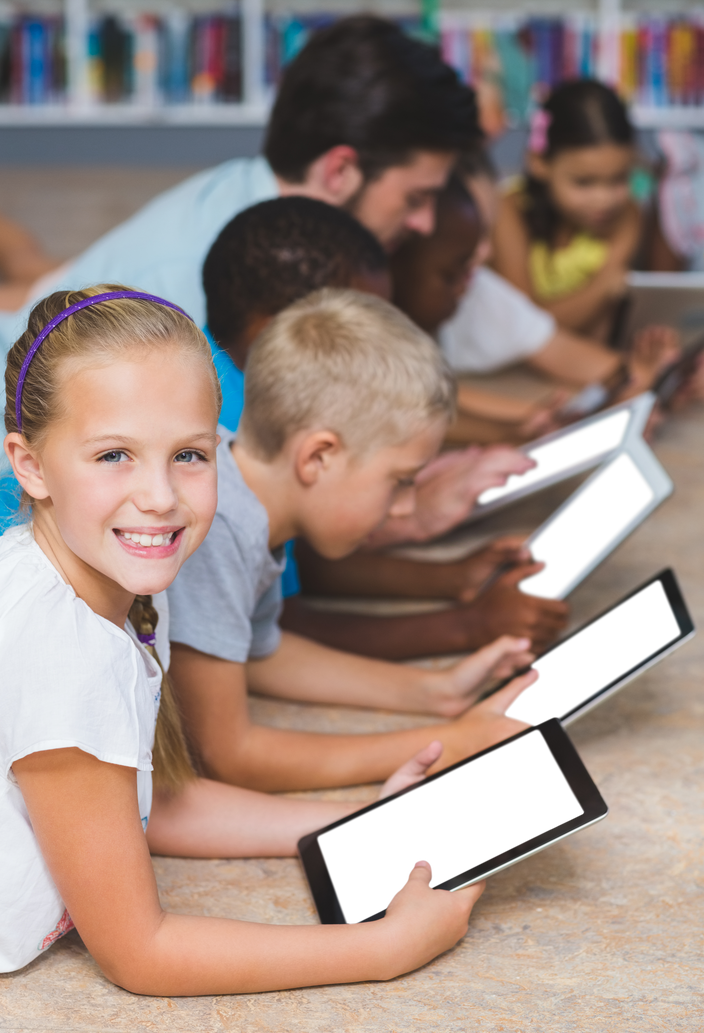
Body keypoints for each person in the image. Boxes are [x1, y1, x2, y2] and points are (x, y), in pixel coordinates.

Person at [0, 283, 516, 988]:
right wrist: (387, 949)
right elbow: (139, 952)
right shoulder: (62, 650)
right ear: (29, 464)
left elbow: (154, 802)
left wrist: (364, 819)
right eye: (114, 455)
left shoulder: (123, 576)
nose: (162, 495)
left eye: (190, 455)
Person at [0, 14, 480, 546]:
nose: (425, 224)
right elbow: (226, 513)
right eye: (415, 197)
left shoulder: (254, 206)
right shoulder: (205, 295)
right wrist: (406, 515)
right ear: (339, 171)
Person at [167, 288, 540, 794]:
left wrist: (436, 693)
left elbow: (258, 651)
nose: (407, 507)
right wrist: (448, 744)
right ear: (317, 457)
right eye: (400, 480)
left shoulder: (249, 503)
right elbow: (229, 754)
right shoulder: (217, 526)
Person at [203, 195, 569, 656]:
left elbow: (299, 566)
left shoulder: (219, 374)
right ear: (293, 330)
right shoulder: (224, 429)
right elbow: (279, 627)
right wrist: (465, 627)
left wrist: (451, 578)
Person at [391, 156, 682, 444]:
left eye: (486, 232)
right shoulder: (372, 328)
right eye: (465, 244)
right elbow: (408, 405)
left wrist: (653, 377)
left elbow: (441, 398)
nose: (486, 254)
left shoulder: (477, 290)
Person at [491, 79, 645, 341]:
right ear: (539, 162)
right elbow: (523, 328)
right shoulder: (507, 210)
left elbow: (600, 330)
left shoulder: (628, 215)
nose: (604, 200)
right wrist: (603, 288)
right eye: (584, 183)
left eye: (619, 179)